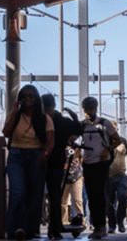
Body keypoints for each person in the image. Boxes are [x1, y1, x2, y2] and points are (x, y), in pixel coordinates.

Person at [2, 84, 54, 240]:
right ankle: (12, 229)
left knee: (34, 195)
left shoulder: (45, 118)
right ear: (20, 100)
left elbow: (51, 140)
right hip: (16, 155)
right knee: (17, 193)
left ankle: (28, 229)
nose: (28, 99)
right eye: (24, 96)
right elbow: (6, 132)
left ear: (36, 99)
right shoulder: (15, 115)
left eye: (31, 96)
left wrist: (45, 153)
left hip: (36, 156)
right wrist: (15, 112)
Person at [42, 94, 83, 240]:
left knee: (53, 197)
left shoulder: (42, 119)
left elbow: (78, 129)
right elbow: (78, 129)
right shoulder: (61, 120)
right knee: (55, 197)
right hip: (52, 162)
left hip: (48, 162)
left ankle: (52, 229)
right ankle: (54, 230)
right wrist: (73, 116)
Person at [80, 96, 119, 240]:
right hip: (88, 164)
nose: (89, 112)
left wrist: (107, 149)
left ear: (95, 109)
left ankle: (101, 227)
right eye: (86, 110)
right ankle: (97, 227)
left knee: (99, 196)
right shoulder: (83, 125)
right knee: (91, 196)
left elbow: (118, 140)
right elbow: (74, 137)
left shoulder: (104, 123)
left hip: (101, 164)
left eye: (91, 109)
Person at [106, 136, 127, 233]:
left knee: (123, 197)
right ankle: (111, 224)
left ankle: (120, 221)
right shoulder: (103, 140)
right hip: (107, 177)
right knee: (109, 202)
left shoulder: (124, 142)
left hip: (121, 176)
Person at [60, 145, 84, 228]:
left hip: (76, 176)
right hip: (63, 177)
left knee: (77, 200)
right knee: (63, 202)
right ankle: (63, 222)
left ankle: (80, 220)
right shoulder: (59, 143)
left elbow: (81, 158)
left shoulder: (76, 145)